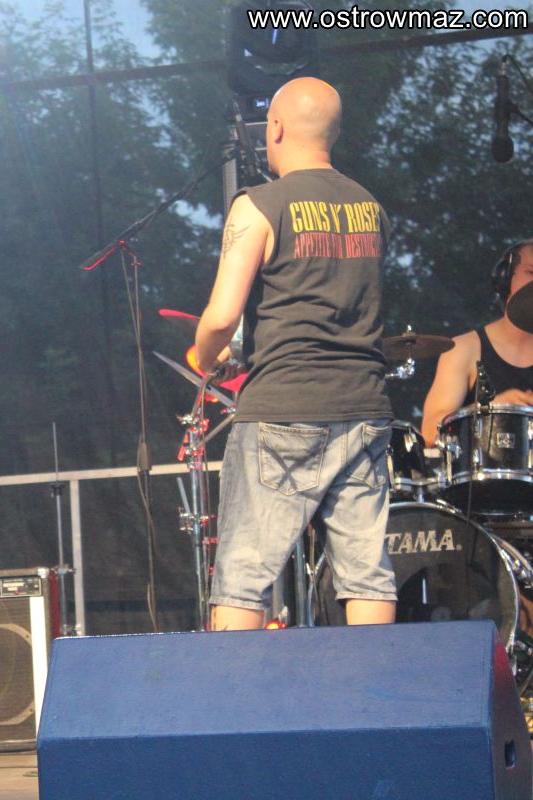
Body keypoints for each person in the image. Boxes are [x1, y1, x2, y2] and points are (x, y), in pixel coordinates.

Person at [194, 77, 396, 631]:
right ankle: (375, 686)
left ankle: (233, 690)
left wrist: (206, 355)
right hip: (364, 407)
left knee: (243, 576)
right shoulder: (371, 208)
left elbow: (221, 317)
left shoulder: (257, 205)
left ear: (276, 128)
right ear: (334, 133)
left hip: (284, 409)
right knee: (367, 575)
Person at [421, 240, 533, 445]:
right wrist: (490, 410)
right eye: (531, 272)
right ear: (505, 279)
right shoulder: (464, 349)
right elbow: (430, 432)